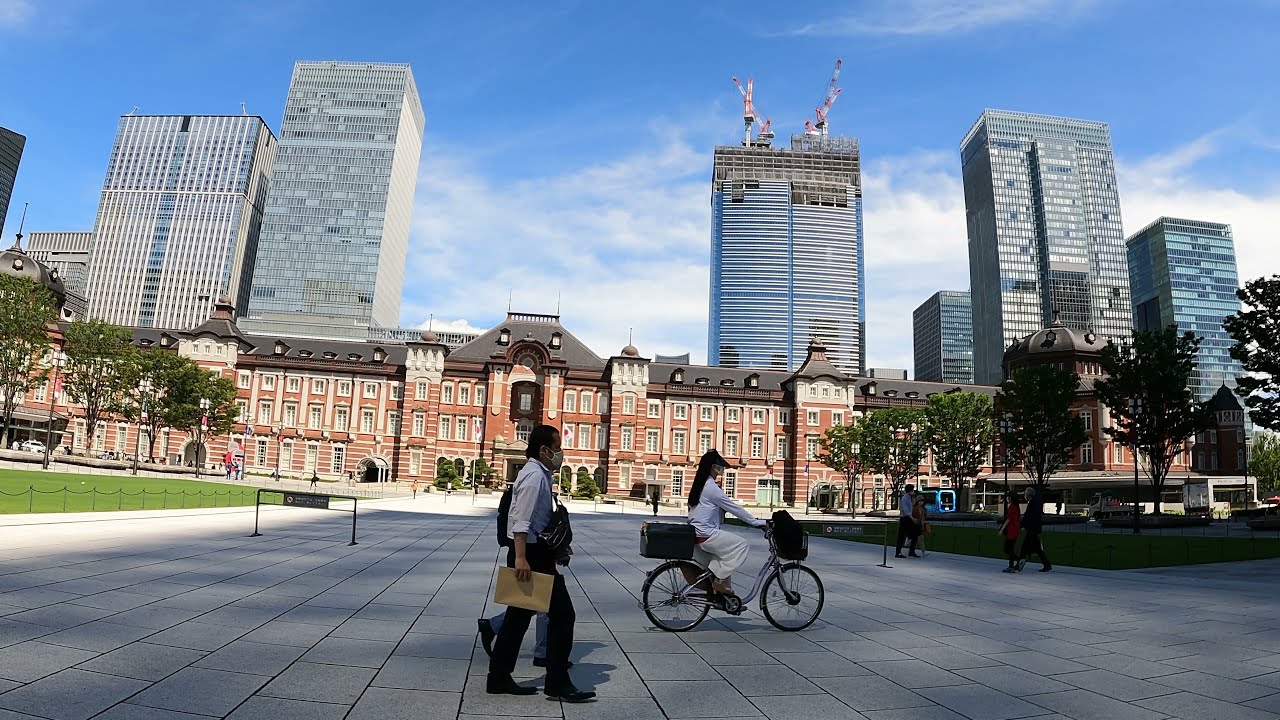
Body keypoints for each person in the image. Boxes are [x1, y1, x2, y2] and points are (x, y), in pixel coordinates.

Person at [487, 425, 593, 702]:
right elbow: (520, 521)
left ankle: (498, 678)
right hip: (531, 556)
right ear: (544, 450)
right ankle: (556, 682)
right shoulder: (534, 477)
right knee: (563, 616)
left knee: (517, 618)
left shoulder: (537, 473)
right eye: (557, 446)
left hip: (533, 552)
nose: (561, 452)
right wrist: (521, 558)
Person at [688, 450, 767, 596]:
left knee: (724, 558)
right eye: (720, 466)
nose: (721, 469)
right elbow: (733, 508)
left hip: (697, 532)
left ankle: (723, 596)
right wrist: (756, 522)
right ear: (713, 467)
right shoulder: (711, 487)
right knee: (741, 545)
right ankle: (719, 582)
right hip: (706, 533)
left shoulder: (701, 483)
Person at [1018, 487, 1052, 572]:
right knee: (1037, 549)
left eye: (1025, 494)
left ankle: (1019, 564)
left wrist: (1020, 525)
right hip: (1035, 529)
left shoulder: (1032, 503)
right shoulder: (1037, 502)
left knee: (1024, 547)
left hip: (1032, 529)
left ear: (1027, 495)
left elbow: (1027, 517)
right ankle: (1047, 565)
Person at [999, 491, 1022, 573]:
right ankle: (1016, 561)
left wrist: (1002, 529)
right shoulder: (1016, 507)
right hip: (1015, 530)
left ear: (1011, 498)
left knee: (1008, 548)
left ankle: (1013, 564)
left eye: (1008, 497)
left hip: (1011, 530)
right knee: (1009, 548)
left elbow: (1009, 519)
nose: (1007, 499)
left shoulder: (1012, 507)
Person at [895, 484, 920, 558]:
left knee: (915, 534)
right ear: (910, 490)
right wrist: (912, 518)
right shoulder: (905, 498)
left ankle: (911, 551)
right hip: (905, 518)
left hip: (909, 518)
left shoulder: (910, 498)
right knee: (902, 535)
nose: (913, 491)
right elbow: (906, 511)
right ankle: (898, 552)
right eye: (912, 490)